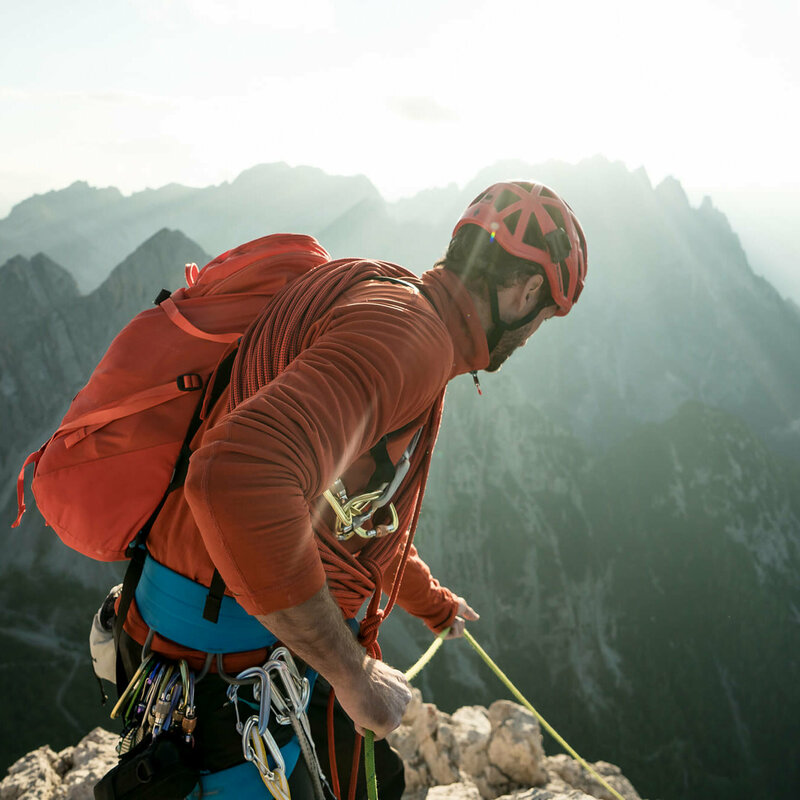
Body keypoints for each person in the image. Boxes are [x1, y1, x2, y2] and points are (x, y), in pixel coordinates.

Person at [115, 180, 587, 799]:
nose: (530, 337)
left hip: (178, 629)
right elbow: (236, 476)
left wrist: (432, 603)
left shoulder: (383, 294)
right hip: (234, 666)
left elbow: (352, 518)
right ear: (527, 294)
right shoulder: (409, 342)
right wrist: (353, 673)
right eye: (544, 316)